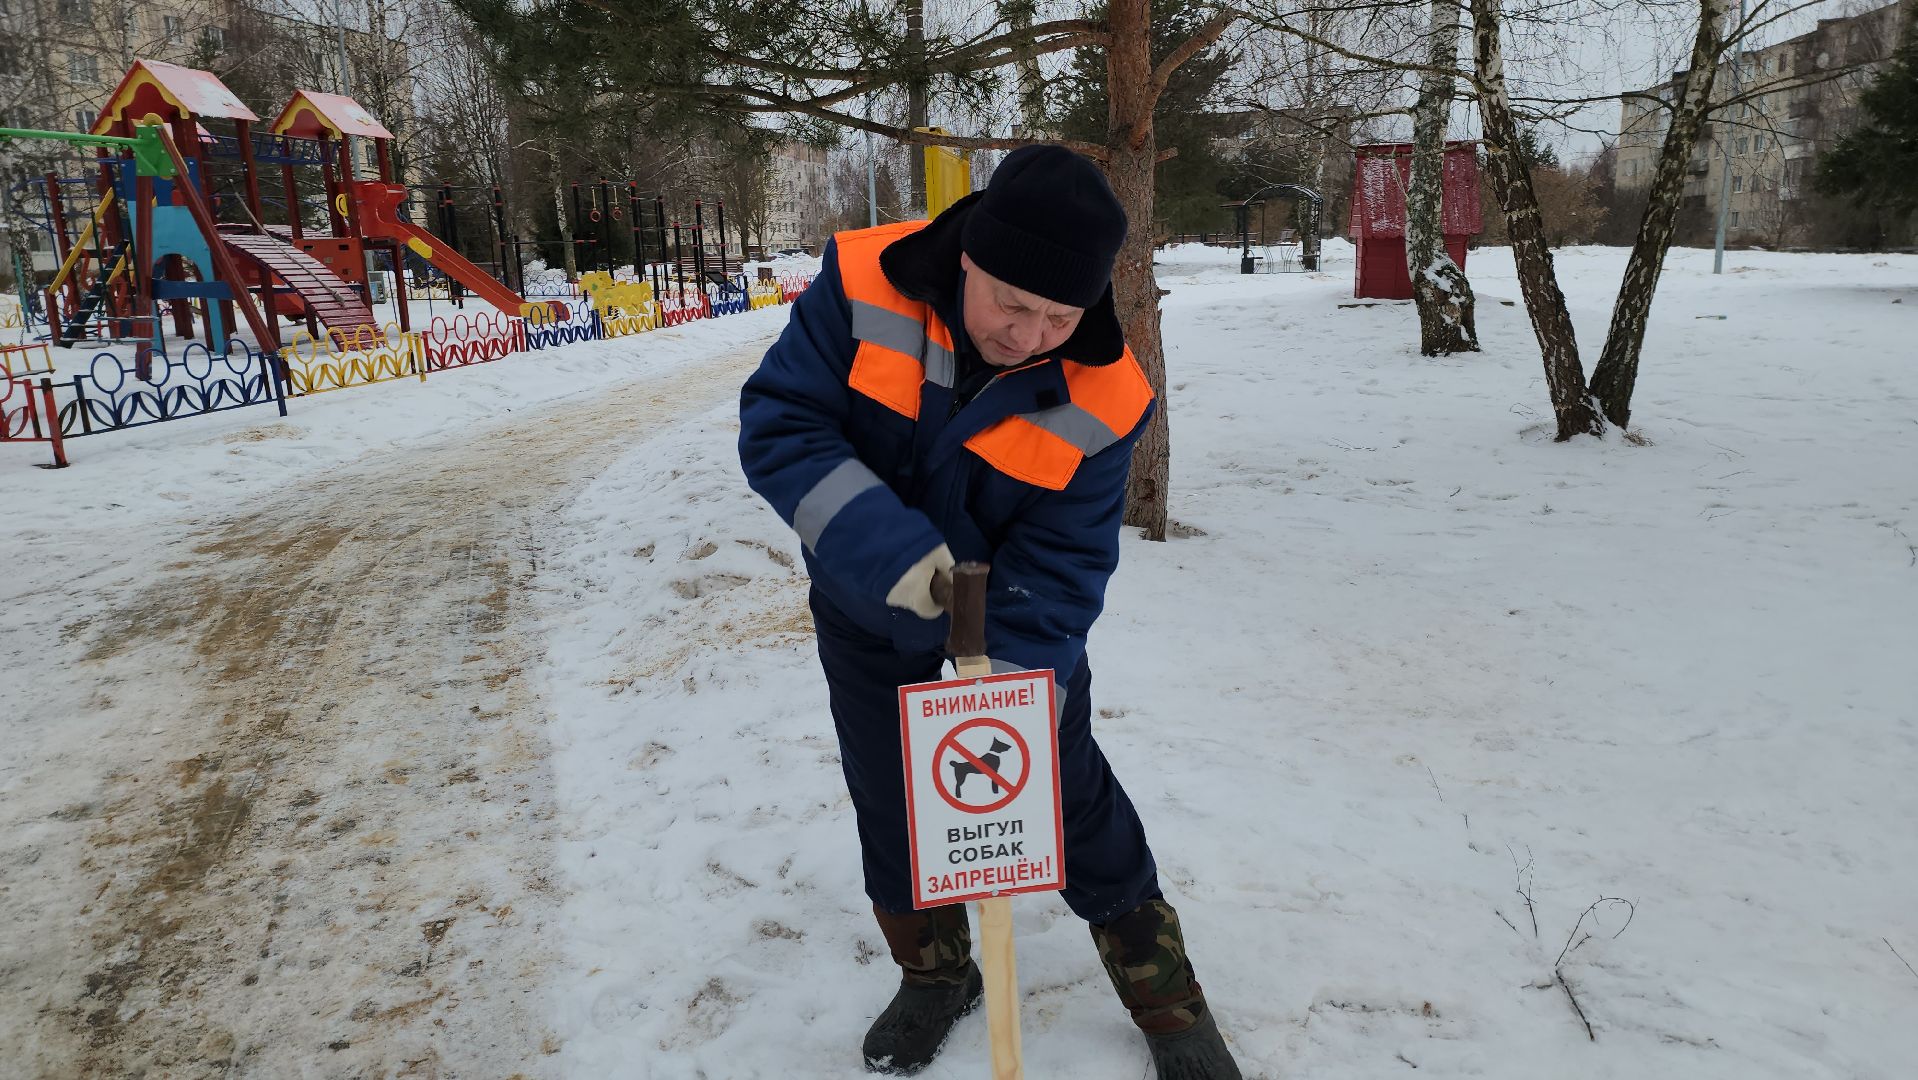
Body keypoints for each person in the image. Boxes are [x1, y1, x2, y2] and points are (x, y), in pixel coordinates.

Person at [738, 145, 1241, 1079]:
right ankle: (934, 974)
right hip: (866, 603)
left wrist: (1008, 684)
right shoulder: (861, 284)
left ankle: (1165, 993)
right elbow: (781, 429)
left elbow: (1065, 560)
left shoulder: (1107, 391)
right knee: (891, 795)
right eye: (1014, 304)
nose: (1032, 335)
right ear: (969, 254)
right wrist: (891, 556)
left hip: (1010, 623)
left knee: (1062, 793)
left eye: (1060, 314)